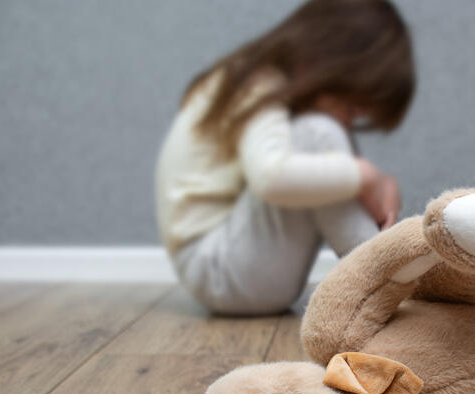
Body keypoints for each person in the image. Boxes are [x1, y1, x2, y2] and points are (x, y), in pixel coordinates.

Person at [154, 0, 414, 315]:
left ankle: (381, 267)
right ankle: (382, 280)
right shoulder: (258, 83)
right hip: (218, 269)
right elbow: (271, 178)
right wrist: (366, 175)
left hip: (226, 270)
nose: (347, 124)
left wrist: (365, 181)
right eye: (350, 108)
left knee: (319, 147)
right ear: (328, 64)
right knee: (318, 131)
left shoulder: (251, 77)